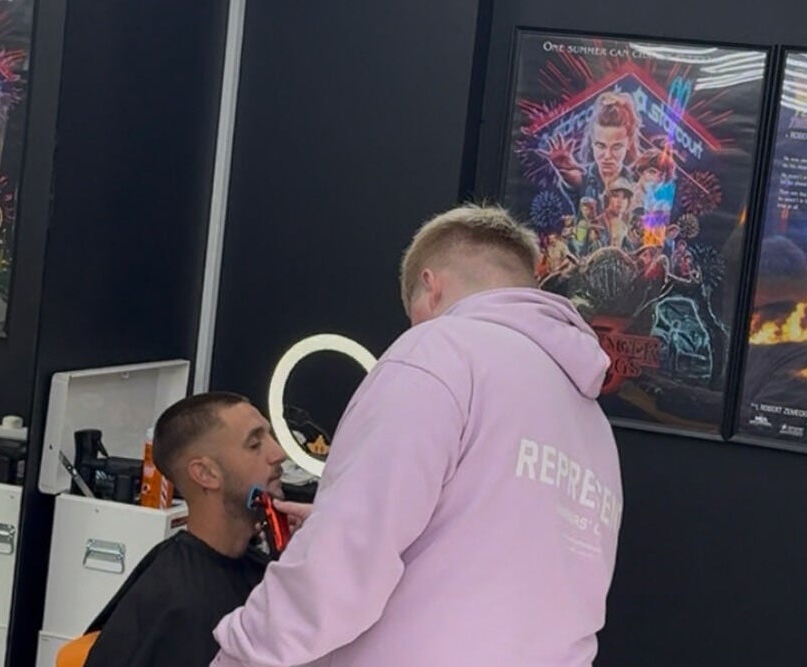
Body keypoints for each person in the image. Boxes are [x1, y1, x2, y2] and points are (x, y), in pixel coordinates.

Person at [211, 204, 624, 667]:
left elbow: (341, 565)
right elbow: (506, 547)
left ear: (431, 286)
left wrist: (239, 658)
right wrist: (355, 512)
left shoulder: (439, 351)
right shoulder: (588, 419)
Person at [78, 392, 287, 667]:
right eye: (255, 444)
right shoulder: (171, 600)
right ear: (206, 474)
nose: (278, 454)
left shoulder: (264, 571)